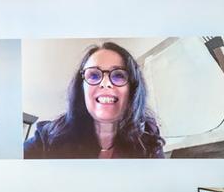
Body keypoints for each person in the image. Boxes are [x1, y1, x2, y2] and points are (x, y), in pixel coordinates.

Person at [24, 42, 164, 159]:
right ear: (81, 88)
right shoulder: (47, 137)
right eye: (94, 75)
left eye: (119, 75)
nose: (105, 83)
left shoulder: (148, 142)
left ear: (132, 88)